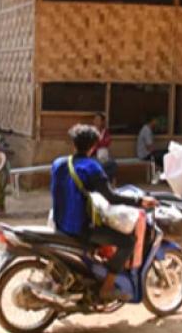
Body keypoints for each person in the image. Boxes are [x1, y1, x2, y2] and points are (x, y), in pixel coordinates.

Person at [51, 124, 158, 301]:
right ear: (94, 146)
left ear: (73, 144)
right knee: (128, 242)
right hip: (80, 229)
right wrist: (140, 201)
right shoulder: (91, 167)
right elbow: (111, 198)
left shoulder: (59, 164)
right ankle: (107, 287)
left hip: (59, 223)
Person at [136, 116, 168, 181]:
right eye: (156, 121)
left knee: (166, 152)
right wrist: (157, 152)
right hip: (145, 155)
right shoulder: (146, 130)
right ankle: (163, 176)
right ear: (152, 121)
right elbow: (149, 147)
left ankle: (164, 175)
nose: (157, 123)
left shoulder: (148, 129)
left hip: (148, 153)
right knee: (164, 156)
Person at [89, 112, 117, 181]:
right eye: (95, 120)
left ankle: (108, 182)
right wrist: (99, 144)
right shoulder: (90, 132)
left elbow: (107, 142)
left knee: (113, 163)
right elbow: (90, 145)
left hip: (103, 155)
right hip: (92, 155)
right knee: (98, 164)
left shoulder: (105, 132)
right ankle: (100, 181)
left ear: (102, 122)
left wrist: (98, 143)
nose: (96, 122)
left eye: (98, 120)